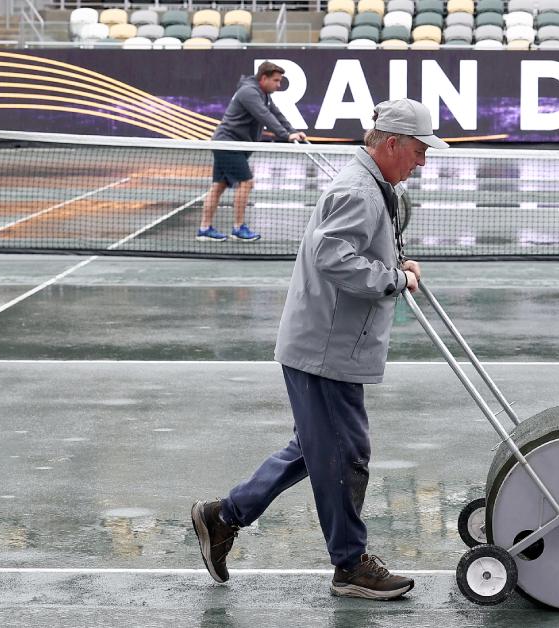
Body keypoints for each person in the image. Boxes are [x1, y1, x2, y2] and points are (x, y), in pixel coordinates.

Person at [190, 99, 446, 601]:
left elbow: (358, 247)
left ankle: (221, 517)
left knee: (315, 449)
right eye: (418, 151)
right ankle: (349, 565)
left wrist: (396, 260)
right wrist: (394, 279)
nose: (422, 162)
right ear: (391, 144)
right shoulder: (359, 190)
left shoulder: (376, 185)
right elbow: (333, 255)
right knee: (346, 454)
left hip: (330, 345)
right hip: (326, 349)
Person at [198, 61, 306, 243]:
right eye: (276, 81)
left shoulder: (263, 94)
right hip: (229, 145)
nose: (279, 85)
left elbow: (277, 115)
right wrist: (285, 135)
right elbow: (264, 115)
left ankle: (204, 229)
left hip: (235, 145)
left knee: (219, 186)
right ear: (264, 78)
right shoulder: (249, 92)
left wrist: (292, 131)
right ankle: (239, 228)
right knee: (246, 182)